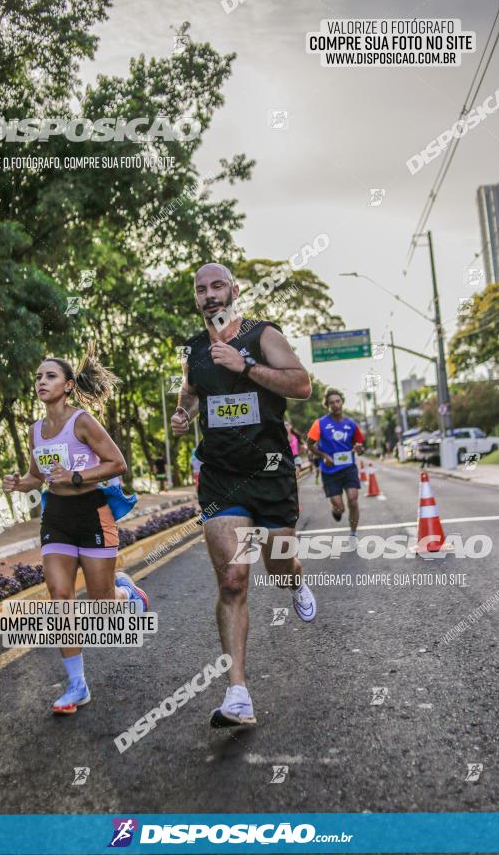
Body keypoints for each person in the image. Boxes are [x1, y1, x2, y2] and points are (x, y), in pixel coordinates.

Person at [171, 262, 316, 728]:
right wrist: (182, 414)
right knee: (233, 579)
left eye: (218, 286)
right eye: (201, 289)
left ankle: (295, 580)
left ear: (234, 290)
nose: (210, 294)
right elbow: (191, 395)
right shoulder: (193, 349)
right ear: (195, 298)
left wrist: (247, 365)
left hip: (271, 474)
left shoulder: (260, 334)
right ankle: (238, 693)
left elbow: (301, 383)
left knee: (278, 564)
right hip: (220, 475)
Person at [2, 342, 148, 714]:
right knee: (60, 597)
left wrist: (79, 474)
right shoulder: (35, 431)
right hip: (57, 519)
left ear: (67, 385)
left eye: (50, 376)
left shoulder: (82, 421)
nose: (41, 381)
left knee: (101, 607)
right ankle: (77, 685)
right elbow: (38, 476)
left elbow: (118, 463)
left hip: (92, 514)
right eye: (38, 377)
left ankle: (126, 595)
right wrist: (20, 483)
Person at [307, 387, 365, 538]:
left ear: (342, 402)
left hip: (348, 469)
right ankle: (336, 510)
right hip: (329, 471)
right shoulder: (319, 424)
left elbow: (359, 446)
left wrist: (359, 449)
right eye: (331, 402)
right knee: (340, 507)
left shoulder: (351, 424)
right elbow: (309, 444)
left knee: (353, 500)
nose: (335, 404)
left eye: (338, 401)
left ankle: (353, 533)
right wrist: (324, 455)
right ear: (327, 405)